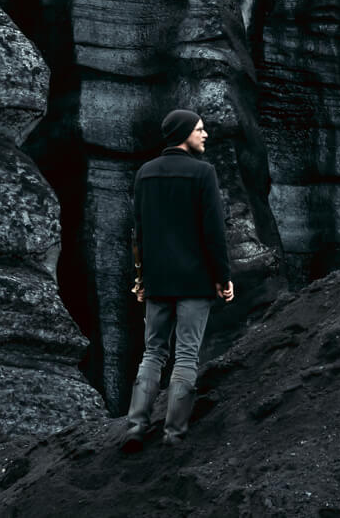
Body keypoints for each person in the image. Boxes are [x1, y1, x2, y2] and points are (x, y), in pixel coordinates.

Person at [121, 108, 234, 452]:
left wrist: (140, 278)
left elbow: (138, 232)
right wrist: (223, 276)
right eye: (199, 129)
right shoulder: (203, 173)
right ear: (184, 134)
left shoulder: (145, 173)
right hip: (195, 281)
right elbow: (213, 231)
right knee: (186, 355)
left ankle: (136, 427)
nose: (205, 135)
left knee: (152, 352)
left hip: (158, 280)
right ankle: (174, 434)